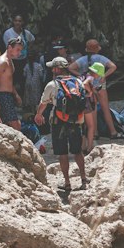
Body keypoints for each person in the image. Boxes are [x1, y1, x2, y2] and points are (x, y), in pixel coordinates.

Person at [38, 59, 91, 195]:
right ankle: (84, 180)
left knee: (62, 153)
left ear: (57, 69)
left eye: (53, 68)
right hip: (76, 121)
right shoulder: (78, 82)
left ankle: (67, 183)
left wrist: (38, 114)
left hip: (59, 122)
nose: (51, 71)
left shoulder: (52, 84)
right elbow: (86, 95)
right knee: (77, 151)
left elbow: (43, 103)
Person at [0, 37, 24, 128]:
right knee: (16, 125)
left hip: (8, 96)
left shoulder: (10, 61)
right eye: (17, 50)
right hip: (2, 96)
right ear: (9, 47)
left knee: (11, 125)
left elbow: (8, 80)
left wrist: (16, 94)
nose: (19, 53)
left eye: (20, 50)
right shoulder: (2, 62)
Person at [22, 44, 46, 111]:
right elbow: (41, 75)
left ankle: (30, 109)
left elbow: (24, 74)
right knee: (36, 97)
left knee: (28, 96)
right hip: (36, 83)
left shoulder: (26, 65)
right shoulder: (39, 66)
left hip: (28, 83)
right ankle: (35, 111)